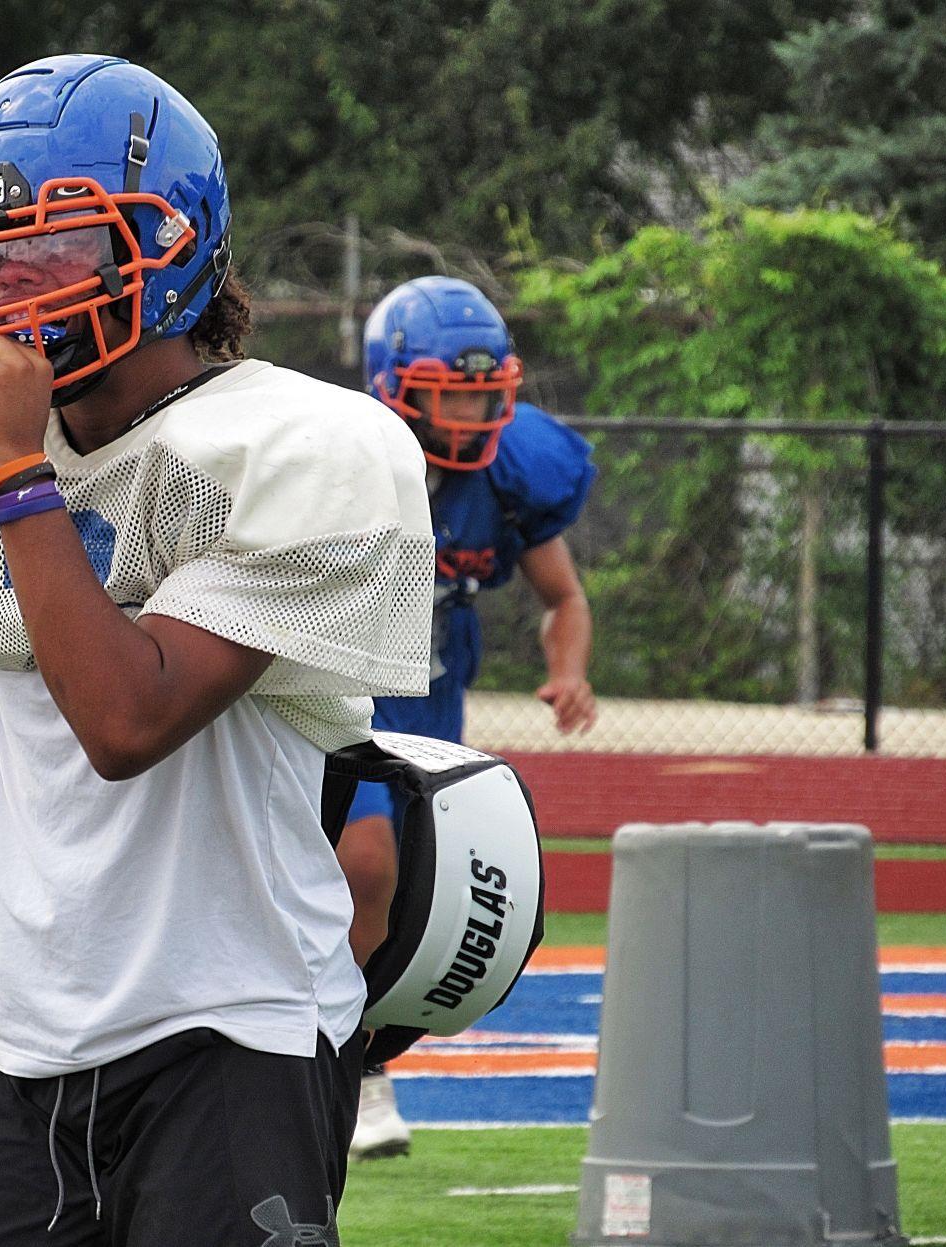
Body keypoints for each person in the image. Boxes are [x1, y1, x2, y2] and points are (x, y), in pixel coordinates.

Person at [0, 54, 435, 1245]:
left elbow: (124, 723)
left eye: (55, 253)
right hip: (36, 1044)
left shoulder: (296, 444)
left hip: (238, 1031)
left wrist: (16, 474)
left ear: (173, 246)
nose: (7, 293)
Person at [337, 276, 598, 1160]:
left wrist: (569, 672)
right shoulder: (347, 457)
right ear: (394, 391)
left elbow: (562, 595)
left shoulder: (510, 474)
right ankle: (351, 1071)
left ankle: (359, 1050)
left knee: (434, 892)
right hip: (344, 679)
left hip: (437, 688)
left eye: (489, 394)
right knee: (363, 863)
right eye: (454, 396)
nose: (476, 415)